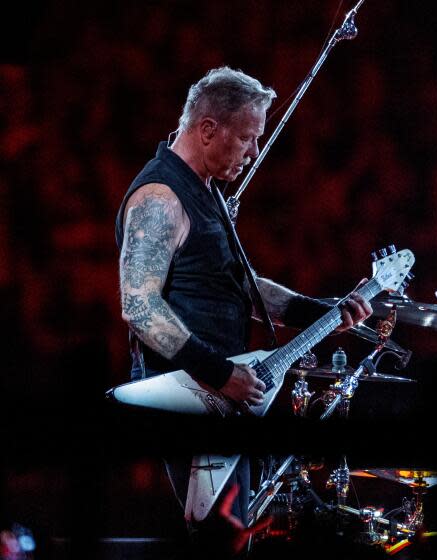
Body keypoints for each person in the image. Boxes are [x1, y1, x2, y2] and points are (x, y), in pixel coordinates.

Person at [115, 67, 372, 540]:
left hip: (219, 394)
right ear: (208, 130)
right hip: (191, 394)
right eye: (247, 138)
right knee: (217, 542)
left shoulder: (206, 192)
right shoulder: (160, 197)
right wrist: (221, 374)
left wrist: (321, 312)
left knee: (232, 540)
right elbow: (139, 306)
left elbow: (241, 285)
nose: (254, 153)